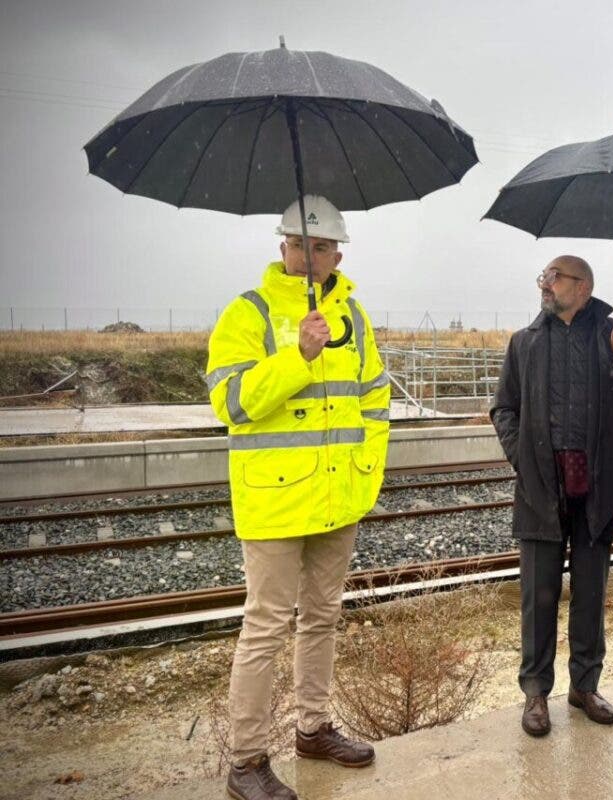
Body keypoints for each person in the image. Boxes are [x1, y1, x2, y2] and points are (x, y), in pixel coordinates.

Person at [207, 196, 390, 800]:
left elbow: (375, 400)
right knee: (264, 627)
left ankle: (312, 729)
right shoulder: (248, 314)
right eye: (298, 245)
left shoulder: (354, 317)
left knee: (323, 618)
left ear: (338, 252)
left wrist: (368, 473)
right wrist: (297, 357)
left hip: (339, 498)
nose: (309, 258)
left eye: (321, 247)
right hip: (276, 502)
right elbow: (231, 403)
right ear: (280, 247)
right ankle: (247, 761)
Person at [491, 255, 613, 737]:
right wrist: (524, 459)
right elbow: (504, 408)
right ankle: (536, 692)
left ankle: (585, 685)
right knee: (538, 594)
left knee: (591, 592)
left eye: (553, 278)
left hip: (598, 487)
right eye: (544, 278)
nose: (545, 285)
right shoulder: (525, 342)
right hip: (542, 487)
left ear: (582, 286)